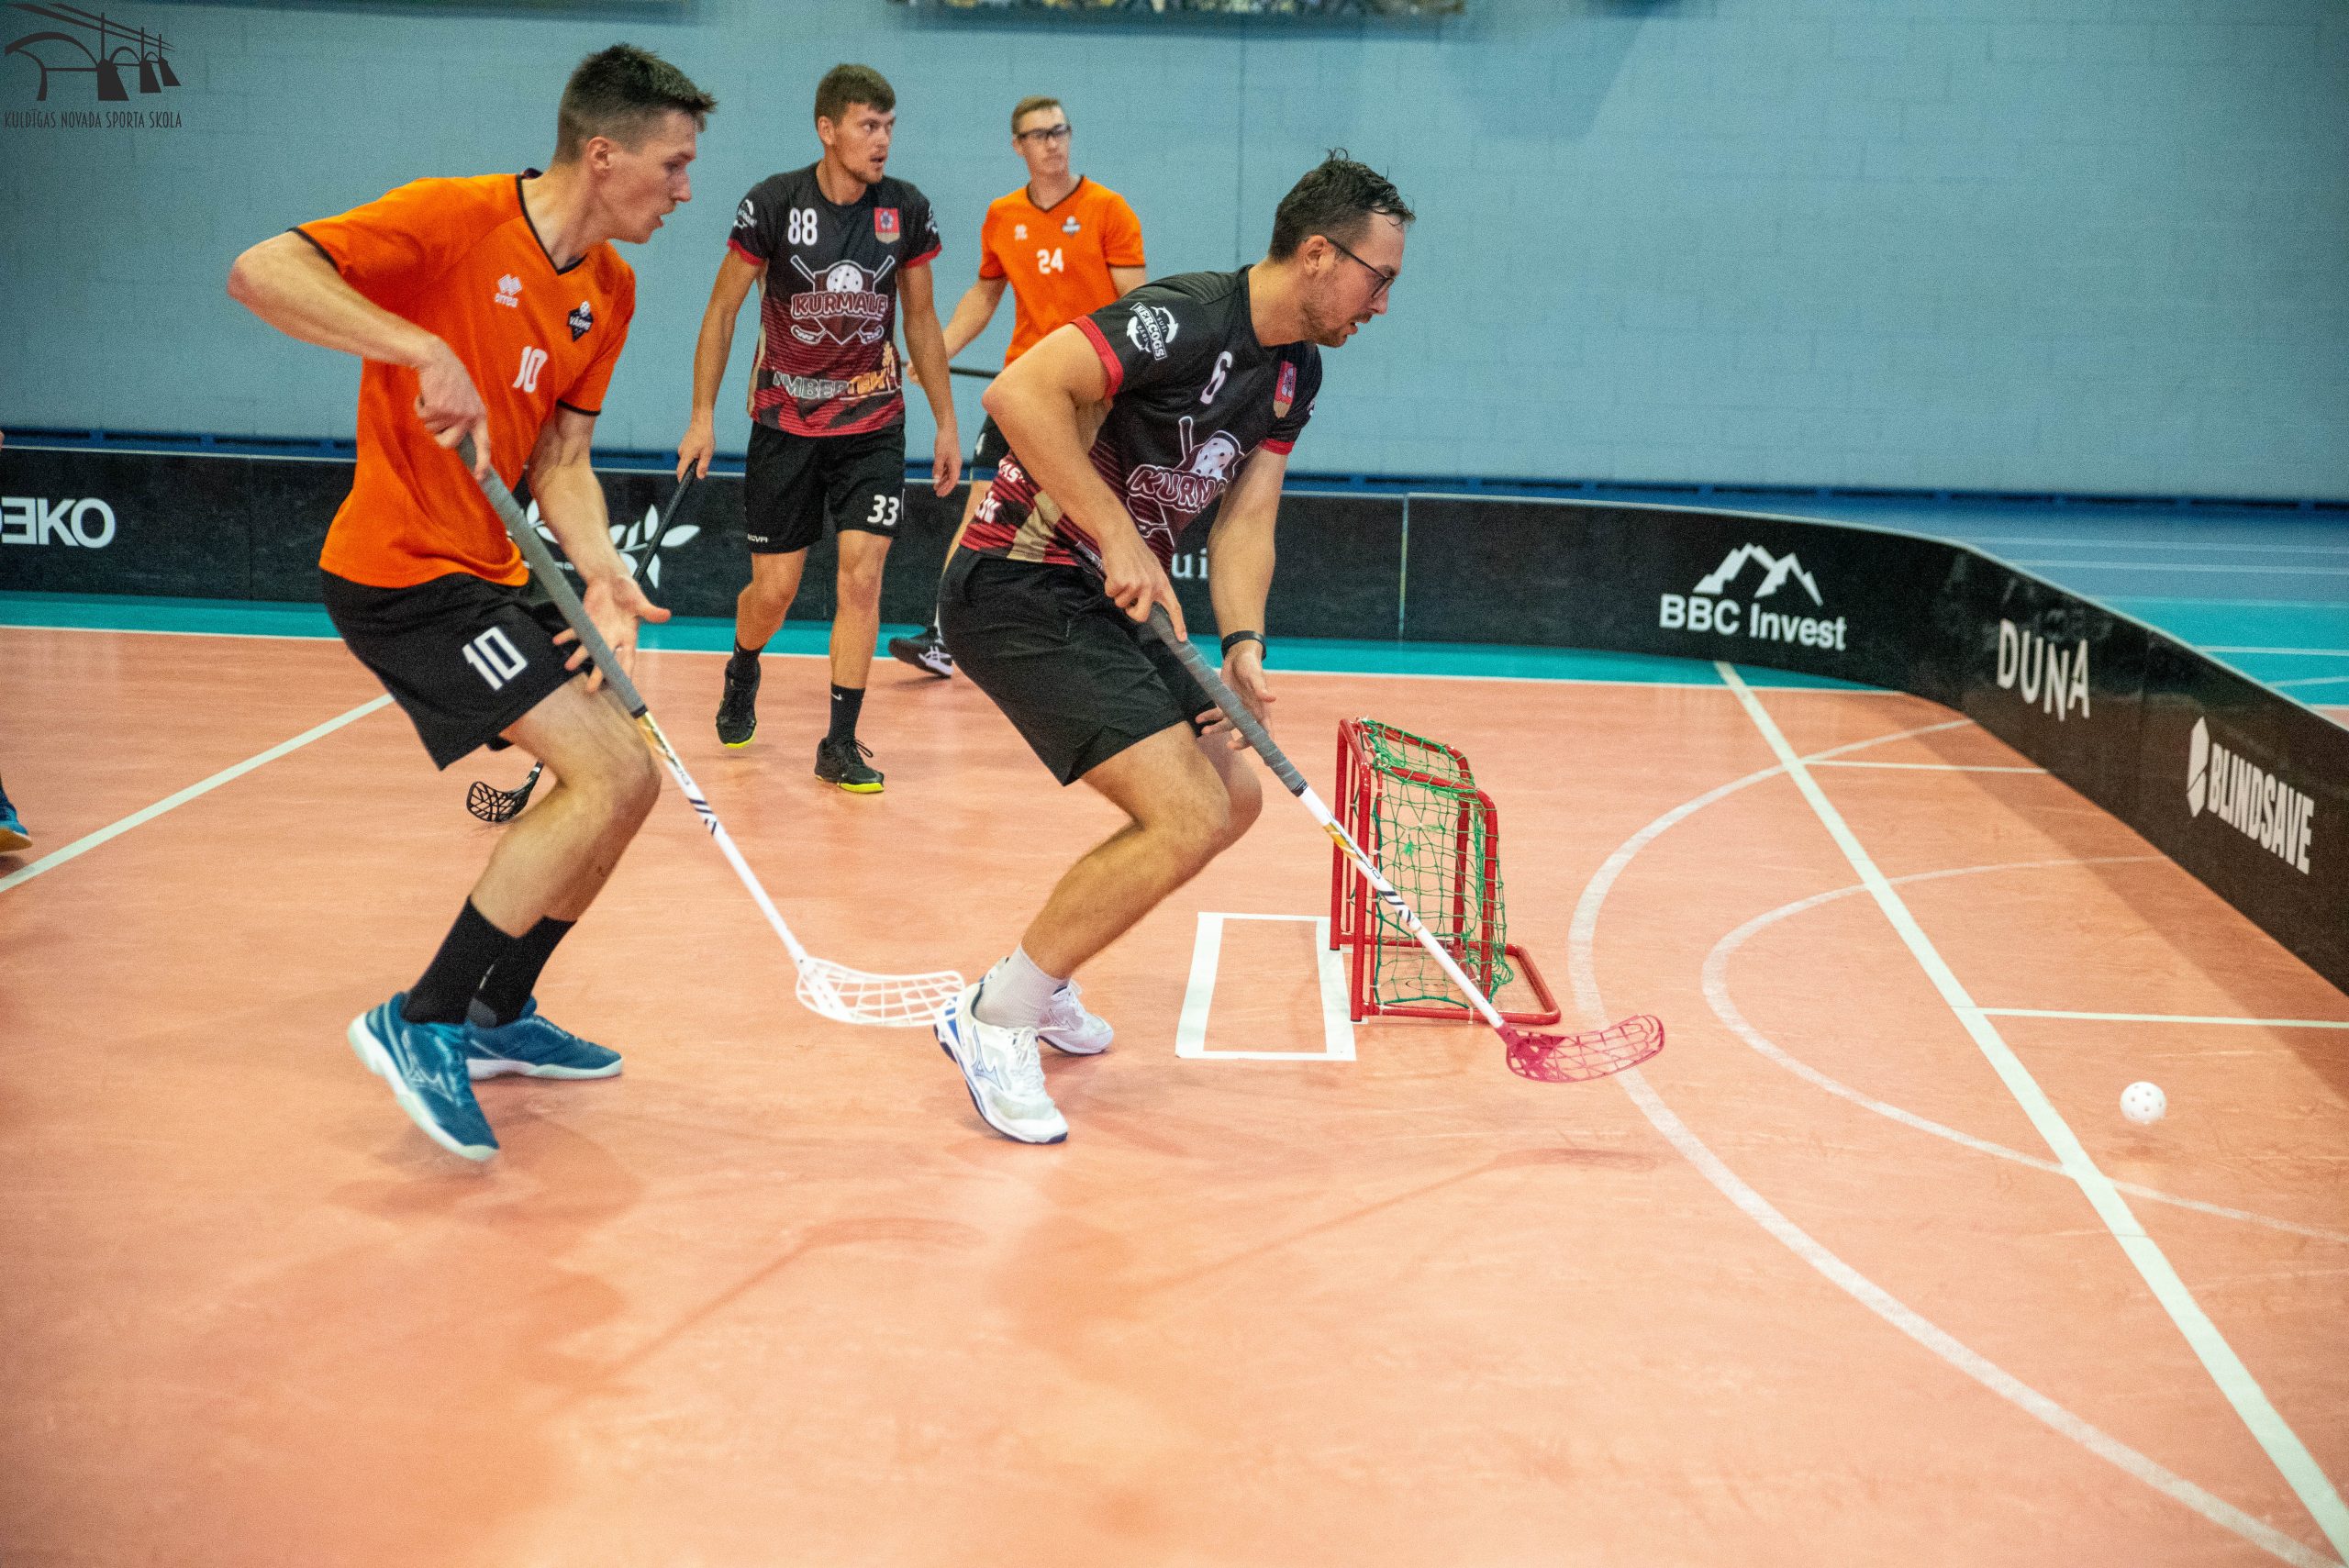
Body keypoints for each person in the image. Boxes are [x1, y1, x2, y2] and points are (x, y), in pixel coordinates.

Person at [227, 45, 715, 1162]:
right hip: (402, 574)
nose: (685, 189)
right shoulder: (454, 219)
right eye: (674, 165)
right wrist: (418, 346)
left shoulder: (610, 288)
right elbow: (260, 272)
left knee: (632, 779)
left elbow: (562, 459)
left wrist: (599, 568)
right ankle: (423, 1017)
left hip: (490, 572)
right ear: (605, 155)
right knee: (602, 773)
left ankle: (499, 1009)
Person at [933, 153, 1412, 1144]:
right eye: (1379, 278)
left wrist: (1244, 639)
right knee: (1187, 810)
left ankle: (1040, 977)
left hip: (1111, 598)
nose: (1382, 304)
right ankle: (993, 1015)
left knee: (1231, 796)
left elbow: (1247, 518)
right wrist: (1117, 535)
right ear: (1317, 254)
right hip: (1017, 580)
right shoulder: (1185, 317)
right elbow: (1018, 393)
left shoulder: (1295, 371)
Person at [676, 63, 959, 793]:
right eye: (869, 126)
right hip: (784, 425)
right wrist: (702, 416)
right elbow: (722, 311)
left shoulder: (907, 209)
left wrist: (946, 422)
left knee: (862, 576)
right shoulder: (773, 203)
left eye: (889, 126)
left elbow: (922, 319)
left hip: (874, 423)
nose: (883, 140)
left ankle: (839, 742)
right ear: (828, 130)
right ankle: (744, 665)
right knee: (773, 592)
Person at [886, 95, 1145, 679]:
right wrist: (936, 352)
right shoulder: (1003, 215)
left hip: (1089, 394)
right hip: (1022, 387)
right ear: (1018, 146)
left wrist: (1125, 383)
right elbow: (984, 295)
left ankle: (1117, 640)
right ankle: (942, 638)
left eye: (1061, 130)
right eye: (1040, 135)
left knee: (1084, 514)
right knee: (982, 504)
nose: (1053, 143)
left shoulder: (1109, 210)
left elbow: (1136, 305)